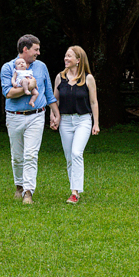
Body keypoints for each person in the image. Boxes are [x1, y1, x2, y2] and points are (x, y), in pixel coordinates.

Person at [1, 34, 58, 204]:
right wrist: (30, 86)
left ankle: (28, 192)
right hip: (14, 117)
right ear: (25, 49)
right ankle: (19, 186)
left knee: (31, 155)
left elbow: (48, 92)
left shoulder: (41, 67)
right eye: (36, 49)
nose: (38, 53)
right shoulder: (8, 68)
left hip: (36, 116)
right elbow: (8, 93)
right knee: (17, 156)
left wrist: (55, 113)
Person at [50, 45, 100, 204]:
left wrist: (96, 123)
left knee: (77, 153)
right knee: (69, 157)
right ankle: (74, 189)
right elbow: (54, 100)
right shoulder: (60, 77)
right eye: (65, 56)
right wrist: (54, 117)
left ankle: (75, 192)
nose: (66, 59)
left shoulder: (88, 78)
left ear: (78, 60)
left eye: (69, 56)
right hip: (65, 121)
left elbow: (93, 102)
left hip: (83, 120)